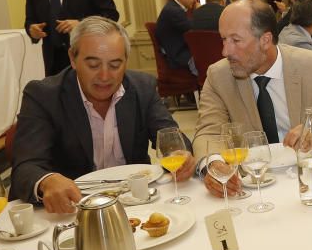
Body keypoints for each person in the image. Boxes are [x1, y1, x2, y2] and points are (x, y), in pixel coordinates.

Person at [11, 17, 195, 213]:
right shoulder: (43, 96)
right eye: (93, 65)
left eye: (115, 65)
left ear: (126, 62)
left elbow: (172, 139)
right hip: (73, 211)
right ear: (73, 59)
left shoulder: (143, 88)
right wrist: (47, 181)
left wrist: (180, 155)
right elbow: (26, 167)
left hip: (136, 206)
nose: (105, 76)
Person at [194, 0, 312, 195]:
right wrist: (213, 164)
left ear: (265, 40)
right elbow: (208, 132)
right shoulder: (219, 75)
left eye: (235, 40)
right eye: (224, 39)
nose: (225, 51)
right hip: (251, 188)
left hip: (311, 183)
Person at [155, 0, 198, 74]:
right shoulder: (174, 11)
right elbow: (192, 28)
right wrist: (199, 12)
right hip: (177, 55)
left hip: (178, 50)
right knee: (208, 56)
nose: (195, 0)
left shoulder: (173, 7)